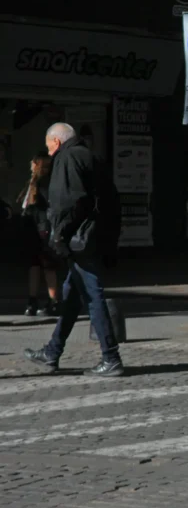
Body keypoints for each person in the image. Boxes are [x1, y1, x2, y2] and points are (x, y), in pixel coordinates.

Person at [22, 123, 124, 376]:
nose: (48, 149)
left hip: (80, 241)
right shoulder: (89, 156)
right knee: (71, 298)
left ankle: (111, 357)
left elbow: (71, 201)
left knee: (93, 295)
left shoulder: (68, 158)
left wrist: (60, 234)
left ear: (56, 141)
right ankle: (52, 352)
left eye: (48, 144)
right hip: (91, 237)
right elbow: (110, 199)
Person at [17, 151, 60, 317]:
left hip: (40, 227)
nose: (30, 165)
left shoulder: (42, 183)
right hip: (36, 227)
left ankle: (44, 301)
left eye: (32, 162)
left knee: (42, 265)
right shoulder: (36, 182)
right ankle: (42, 300)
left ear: (37, 164)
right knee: (40, 265)